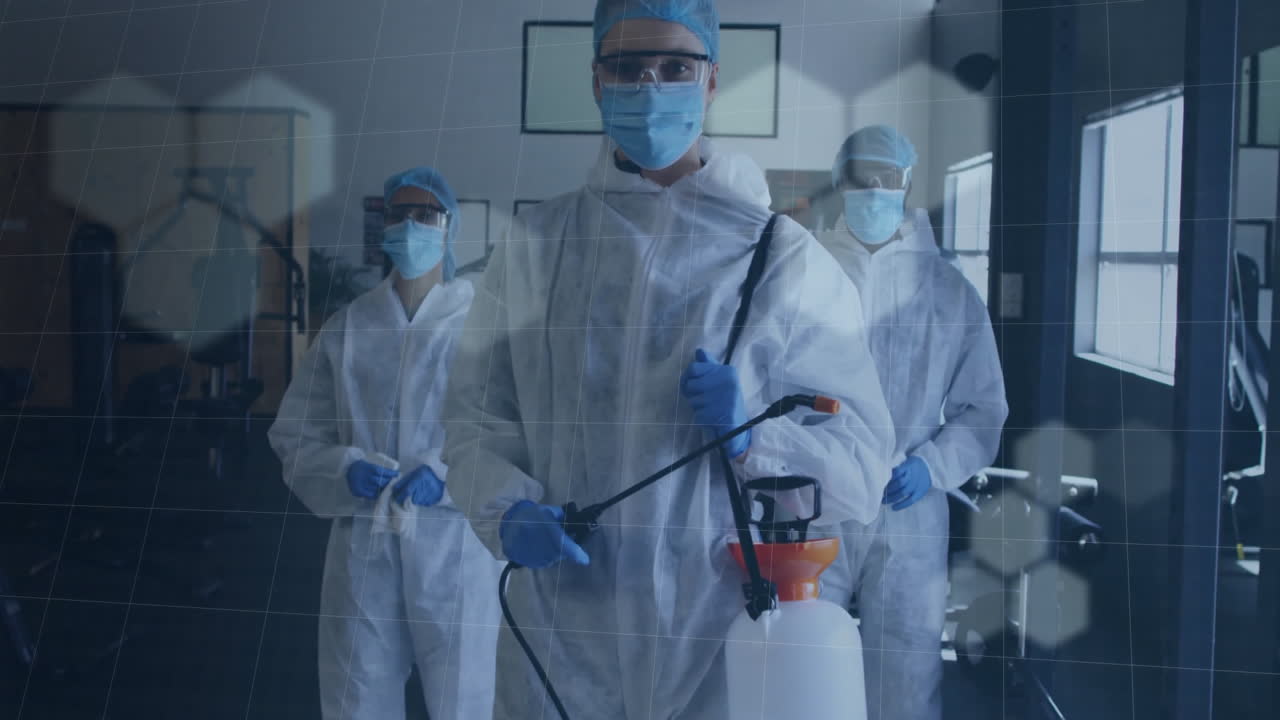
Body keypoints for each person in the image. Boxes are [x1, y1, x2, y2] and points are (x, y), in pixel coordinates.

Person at [441, 1, 896, 718]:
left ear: (711, 80)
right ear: (596, 80)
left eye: (676, 67)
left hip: (716, 633)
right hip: (562, 630)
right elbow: (474, 415)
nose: (650, 86)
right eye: (627, 67)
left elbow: (862, 467)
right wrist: (504, 508)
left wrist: (755, 438)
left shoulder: (781, 260)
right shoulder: (537, 247)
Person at [268, 167, 501, 720]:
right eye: (399, 215)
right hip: (364, 538)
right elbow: (297, 432)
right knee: (358, 689)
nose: (411, 225)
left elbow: (511, 430)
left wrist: (446, 475)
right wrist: (341, 468)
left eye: (427, 215)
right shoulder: (350, 327)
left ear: (450, 228)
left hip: (455, 543)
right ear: (382, 227)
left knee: (467, 690)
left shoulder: (481, 325)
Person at [816, 125, 1009, 720]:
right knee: (801, 660)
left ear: (906, 183)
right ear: (839, 182)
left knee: (905, 669)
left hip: (910, 511)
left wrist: (933, 467)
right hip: (815, 499)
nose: (873, 189)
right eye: (860, 177)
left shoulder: (948, 290)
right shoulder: (805, 273)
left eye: (886, 178)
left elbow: (984, 408)